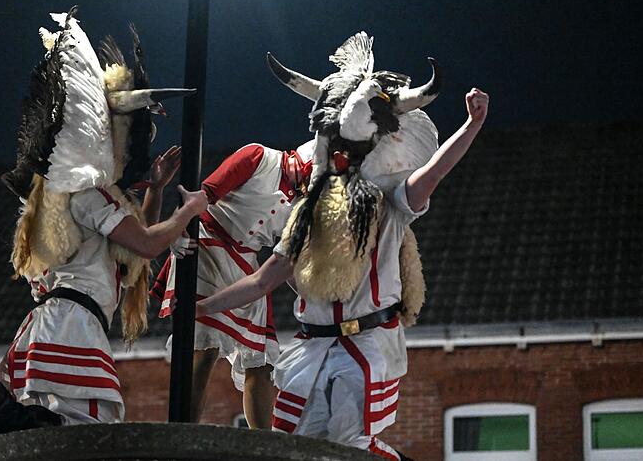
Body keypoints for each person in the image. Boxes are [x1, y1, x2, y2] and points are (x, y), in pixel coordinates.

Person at [0, 10, 202, 461]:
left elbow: (133, 252)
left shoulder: (75, 197)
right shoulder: (91, 194)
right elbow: (149, 244)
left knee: (40, 435)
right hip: (70, 327)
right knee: (82, 437)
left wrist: (157, 189)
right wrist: (190, 210)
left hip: (50, 324)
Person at [195, 34, 489, 459]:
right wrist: (201, 308)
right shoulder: (306, 212)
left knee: (350, 448)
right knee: (296, 450)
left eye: (347, 148)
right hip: (312, 347)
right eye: (332, 145)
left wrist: (472, 126)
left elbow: (433, 174)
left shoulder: (390, 200)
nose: (338, 157)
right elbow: (262, 281)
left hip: (366, 345)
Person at [152, 141, 313, 428]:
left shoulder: (303, 202)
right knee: (204, 349)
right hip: (208, 245)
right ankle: (181, 437)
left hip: (247, 263)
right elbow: (203, 195)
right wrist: (177, 227)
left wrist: (316, 298)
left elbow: (287, 259)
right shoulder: (259, 156)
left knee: (261, 362)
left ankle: (262, 447)